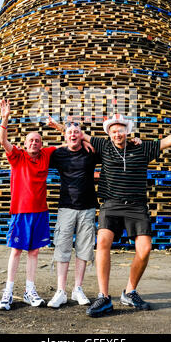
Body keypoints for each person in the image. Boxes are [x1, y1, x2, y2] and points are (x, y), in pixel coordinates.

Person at [60, 112, 171, 318]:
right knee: (102, 242)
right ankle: (103, 296)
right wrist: (61, 129)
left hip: (137, 206)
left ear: (127, 132)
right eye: (113, 131)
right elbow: (76, 136)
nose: (117, 134)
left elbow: (168, 140)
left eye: (121, 130)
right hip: (111, 204)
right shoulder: (103, 146)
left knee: (145, 249)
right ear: (109, 134)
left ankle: (129, 292)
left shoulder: (142, 148)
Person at [0, 99, 57, 311]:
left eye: (37, 141)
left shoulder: (47, 154)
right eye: (31, 140)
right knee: (16, 251)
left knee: (34, 252)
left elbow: (70, 143)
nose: (34, 143)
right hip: (21, 212)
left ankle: (29, 290)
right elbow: (2, 141)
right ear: (25, 143)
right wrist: (5, 118)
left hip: (40, 212)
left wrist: (59, 127)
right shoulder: (17, 156)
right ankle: (8, 292)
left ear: (41, 144)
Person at [46, 122, 100, 309]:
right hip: (66, 207)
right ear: (65, 135)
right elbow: (41, 153)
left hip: (87, 208)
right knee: (62, 247)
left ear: (81, 135)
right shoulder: (59, 154)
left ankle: (78, 288)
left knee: (84, 249)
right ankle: (61, 291)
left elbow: (108, 147)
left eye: (77, 132)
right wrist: (64, 137)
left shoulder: (90, 152)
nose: (73, 135)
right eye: (70, 132)